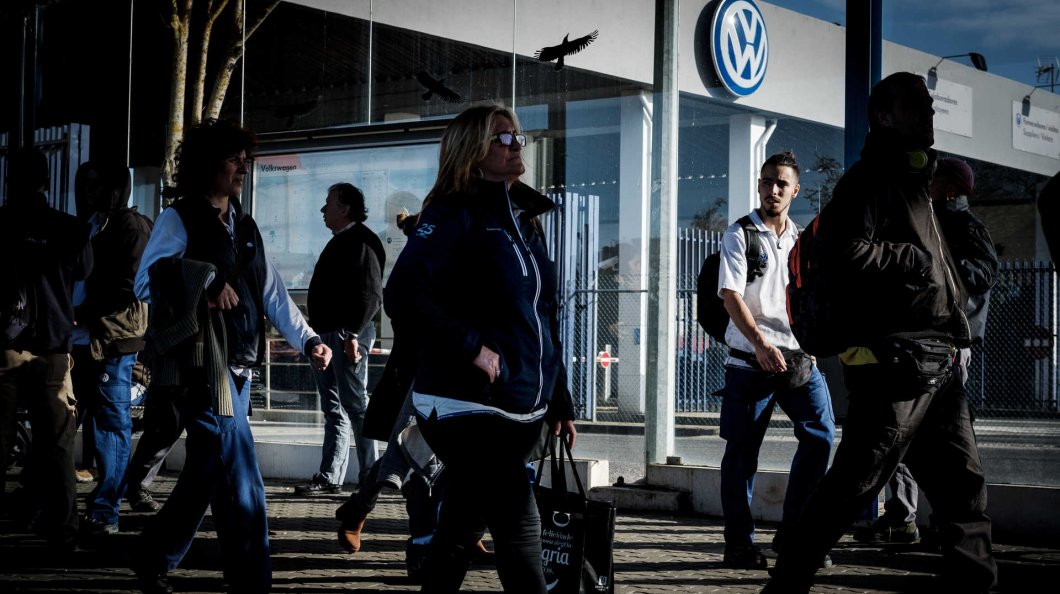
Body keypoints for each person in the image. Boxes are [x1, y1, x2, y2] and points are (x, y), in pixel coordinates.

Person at [765, 72, 998, 593]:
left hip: (938, 360)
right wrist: (914, 260)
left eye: (929, 103)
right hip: (897, 365)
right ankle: (785, 586)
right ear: (884, 116)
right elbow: (843, 250)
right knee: (852, 486)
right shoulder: (870, 180)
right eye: (916, 104)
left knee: (964, 490)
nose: (929, 111)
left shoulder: (920, 182)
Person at [130, 119, 331, 594]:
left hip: (237, 370)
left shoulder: (246, 224)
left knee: (206, 472)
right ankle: (252, 581)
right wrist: (204, 280)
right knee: (242, 477)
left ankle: (152, 557)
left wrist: (308, 340)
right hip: (200, 369)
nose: (244, 168)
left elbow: (273, 293)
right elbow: (145, 281)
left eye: (246, 160)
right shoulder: (178, 217)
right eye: (234, 160)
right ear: (207, 165)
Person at [383, 103, 577, 593]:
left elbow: (543, 314)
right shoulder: (453, 213)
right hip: (462, 402)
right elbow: (403, 293)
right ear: (472, 152)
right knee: (520, 524)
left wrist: (559, 398)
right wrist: (471, 347)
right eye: (502, 138)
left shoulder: (523, 221)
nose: (515, 145)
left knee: (459, 529)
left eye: (517, 137)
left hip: (515, 406)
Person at [854, 156, 999, 546]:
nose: (927, 186)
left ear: (950, 188)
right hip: (922, 344)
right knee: (908, 434)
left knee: (944, 440)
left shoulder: (965, 226)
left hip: (950, 346)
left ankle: (940, 523)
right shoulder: (928, 219)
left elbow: (985, 272)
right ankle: (904, 517)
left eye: (934, 181)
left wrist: (937, 270)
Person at [716, 151, 835, 570]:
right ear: (759, 185)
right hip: (750, 363)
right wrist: (761, 345)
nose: (773, 189)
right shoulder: (740, 234)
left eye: (782, 183)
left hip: (798, 360)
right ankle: (739, 545)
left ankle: (794, 536)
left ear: (795, 190)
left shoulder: (801, 239)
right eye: (767, 181)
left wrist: (811, 345)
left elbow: (810, 296)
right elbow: (730, 296)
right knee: (741, 456)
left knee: (821, 436)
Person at [0, 147, 94, 552]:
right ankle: (63, 532)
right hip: (54, 348)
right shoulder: (71, 229)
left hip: (3, 349)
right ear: (46, 181)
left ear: (9, 180)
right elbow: (85, 271)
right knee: (57, 445)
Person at [73, 161, 152, 536]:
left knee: (111, 424)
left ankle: (106, 511)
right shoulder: (93, 223)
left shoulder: (130, 226)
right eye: (85, 184)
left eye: (97, 185)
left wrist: (81, 312)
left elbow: (130, 285)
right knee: (84, 420)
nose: (89, 192)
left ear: (117, 190)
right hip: (85, 338)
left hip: (112, 340)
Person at [294, 182, 383, 495]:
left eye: (328, 203)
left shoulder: (362, 241)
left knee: (355, 406)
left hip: (346, 336)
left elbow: (371, 294)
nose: (322, 209)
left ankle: (370, 477)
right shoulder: (341, 241)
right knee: (334, 409)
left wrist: (353, 335)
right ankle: (330, 476)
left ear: (344, 209)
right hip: (327, 336)